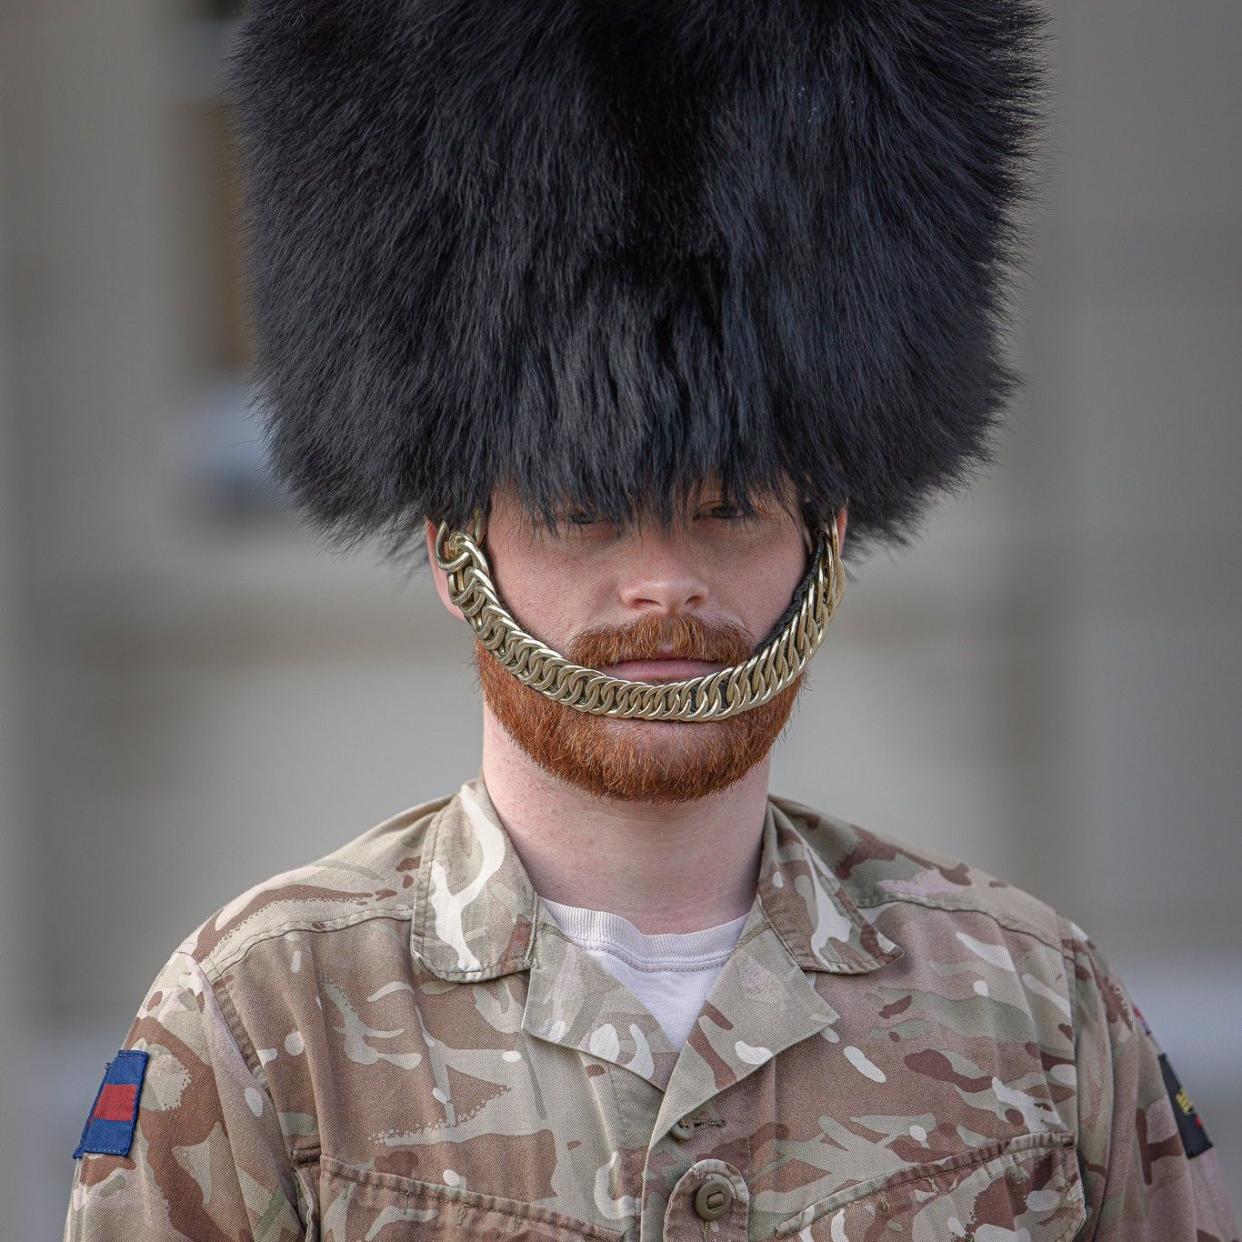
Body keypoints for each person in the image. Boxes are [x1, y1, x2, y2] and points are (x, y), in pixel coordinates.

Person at [64, 0, 1238, 1239]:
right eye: (585, 512)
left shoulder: (1035, 1004)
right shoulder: (260, 1019)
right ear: (454, 547)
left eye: (728, 510)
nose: (664, 584)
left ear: (826, 534)